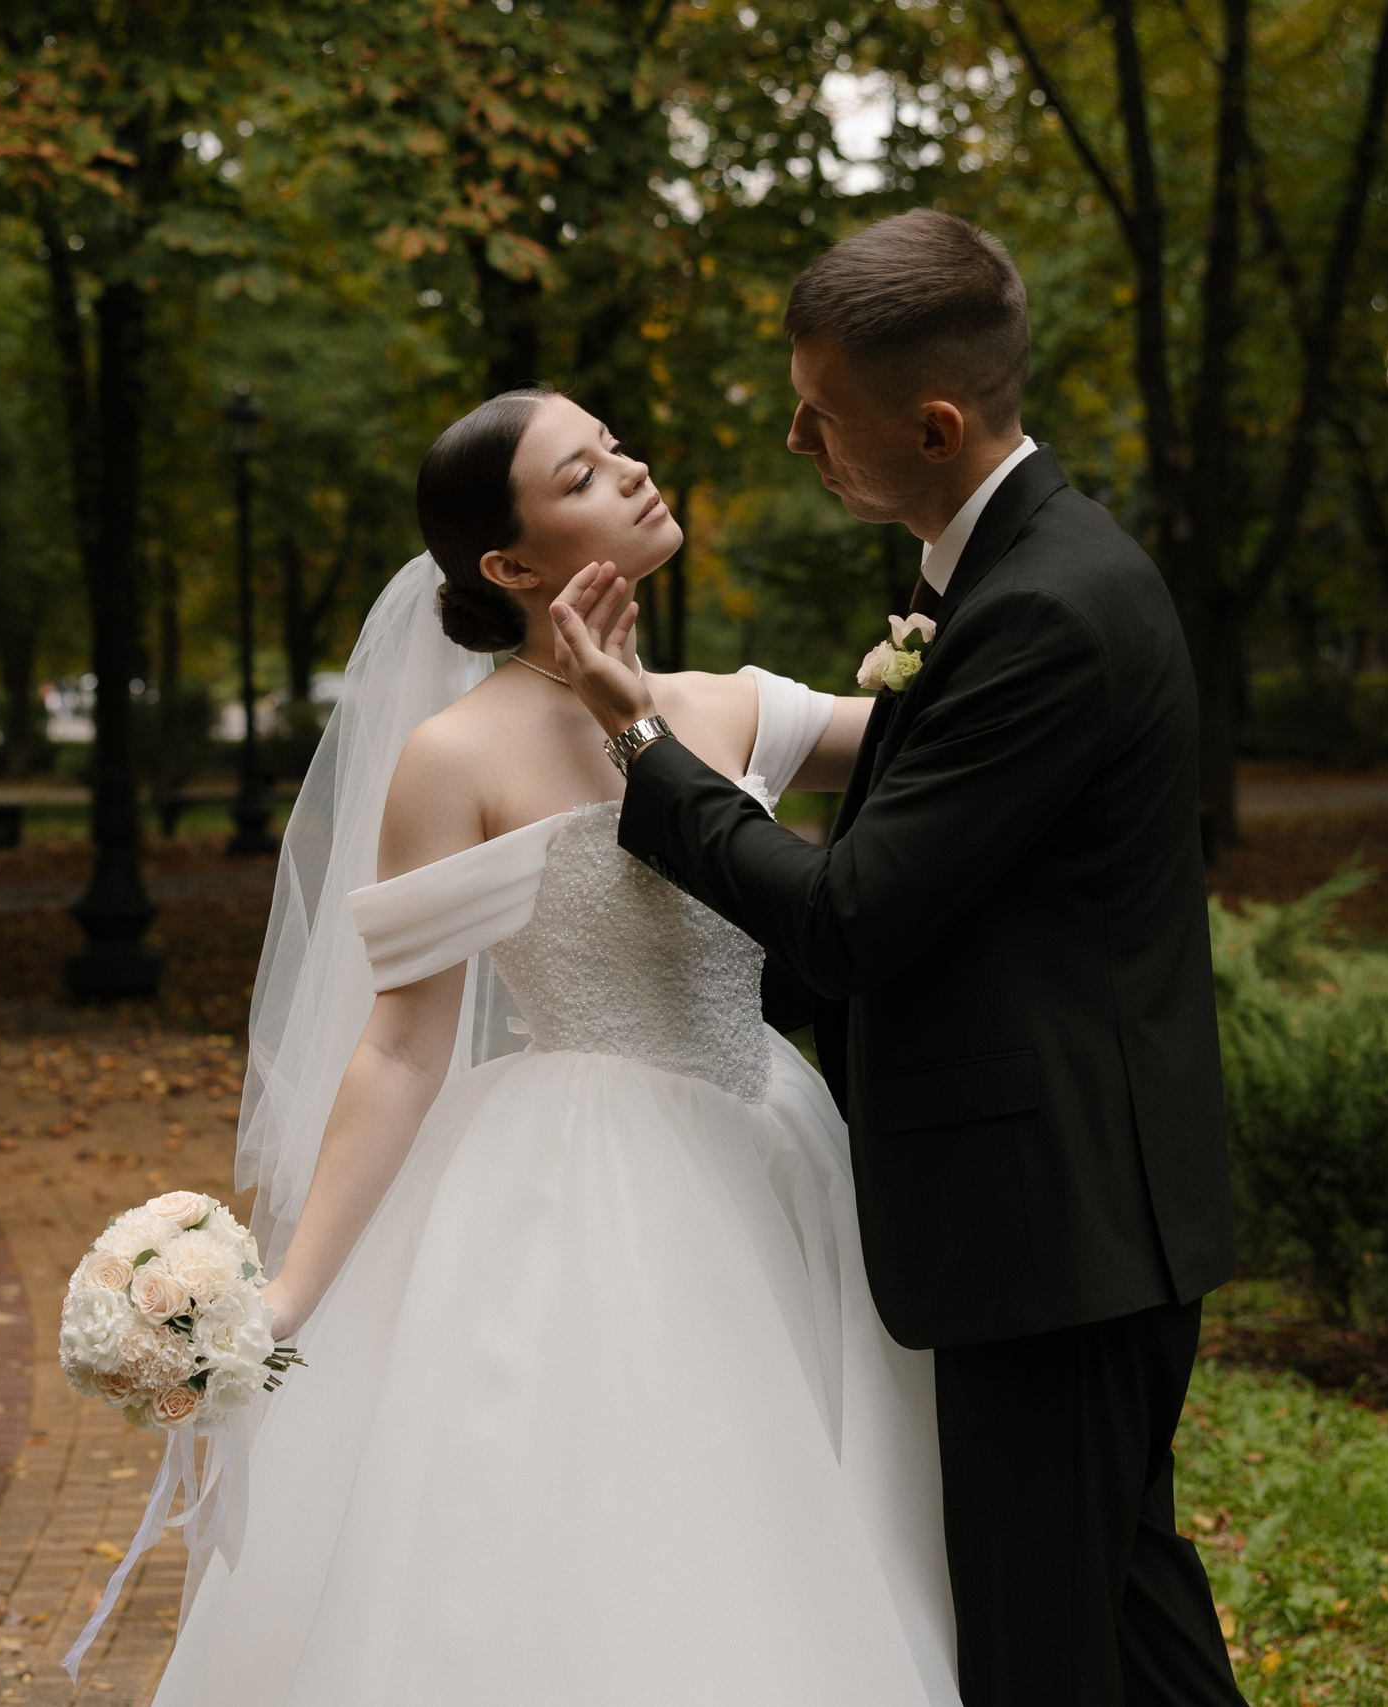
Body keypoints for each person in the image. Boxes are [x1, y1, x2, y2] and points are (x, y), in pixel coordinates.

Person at [142, 389, 955, 1704]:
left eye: (620, 445)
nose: (633, 471)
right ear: (512, 567)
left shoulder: (737, 707)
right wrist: (286, 1297)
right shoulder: (453, 759)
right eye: (584, 472)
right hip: (585, 1185)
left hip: (780, 1153)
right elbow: (401, 1047)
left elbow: (968, 736)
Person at [549, 209, 1246, 1707]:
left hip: (1054, 1223)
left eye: (821, 412)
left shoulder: (1049, 606)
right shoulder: (996, 568)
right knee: (1123, 1610)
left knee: (1039, 1650)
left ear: (934, 424)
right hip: (1066, 1202)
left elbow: (857, 917)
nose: (796, 435)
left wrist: (642, 746)